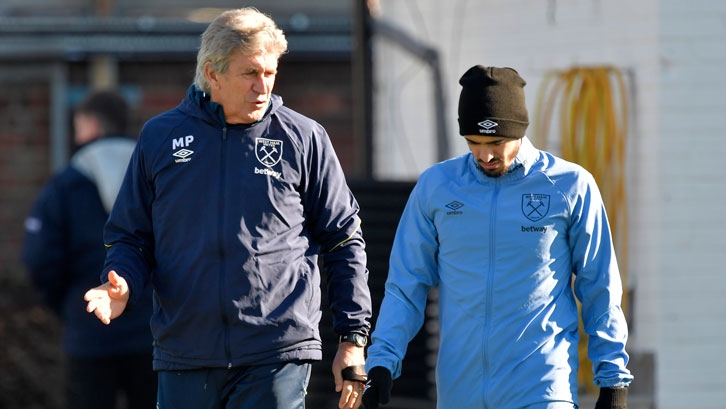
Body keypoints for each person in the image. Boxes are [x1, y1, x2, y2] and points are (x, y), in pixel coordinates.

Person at [82, 8, 372, 409]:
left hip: (276, 353)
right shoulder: (160, 138)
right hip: (185, 353)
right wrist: (124, 284)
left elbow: (344, 240)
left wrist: (353, 338)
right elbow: (131, 237)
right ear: (212, 74)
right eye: (250, 73)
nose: (263, 86)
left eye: (270, 73)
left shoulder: (303, 138)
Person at [362, 66, 633, 409]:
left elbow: (600, 286)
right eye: (473, 143)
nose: (485, 155)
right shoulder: (436, 187)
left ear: (519, 131)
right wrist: (382, 360)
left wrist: (613, 379)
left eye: (496, 142)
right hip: (460, 392)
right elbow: (406, 285)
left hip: (542, 388)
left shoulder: (570, 186)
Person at [22, 90, 156, 409]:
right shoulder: (157, 176)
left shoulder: (66, 184)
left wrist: (67, 305)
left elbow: (39, 258)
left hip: (90, 333)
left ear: (91, 125)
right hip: (155, 332)